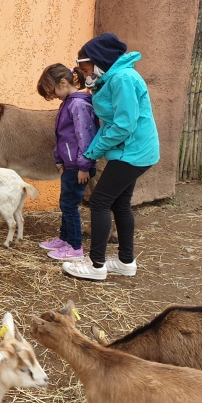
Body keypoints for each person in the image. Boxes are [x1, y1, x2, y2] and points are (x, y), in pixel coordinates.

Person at [62, 33, 160, 281]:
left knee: (99, 202)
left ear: (99, 62)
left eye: (85, 69)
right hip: (133, 150)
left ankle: (96, 265)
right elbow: (112, 122)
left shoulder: (123, 79)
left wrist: (92, 152)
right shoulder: (113, 78)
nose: (84, 76)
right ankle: (126, 262)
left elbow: (123, 125)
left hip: (132, 152)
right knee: (120, 203)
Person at [36, 63, 99, 261]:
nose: (53, 96)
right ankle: (64, 239)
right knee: (66, 203)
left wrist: (83, 166)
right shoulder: (68, 102)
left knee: (70, 206)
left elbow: (85, 138)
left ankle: (75, 247)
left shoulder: (79, 104)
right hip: (70, 165)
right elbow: (62, 136)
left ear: (63, 82)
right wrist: (59, 160)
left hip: (78, 167)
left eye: (52, 91)